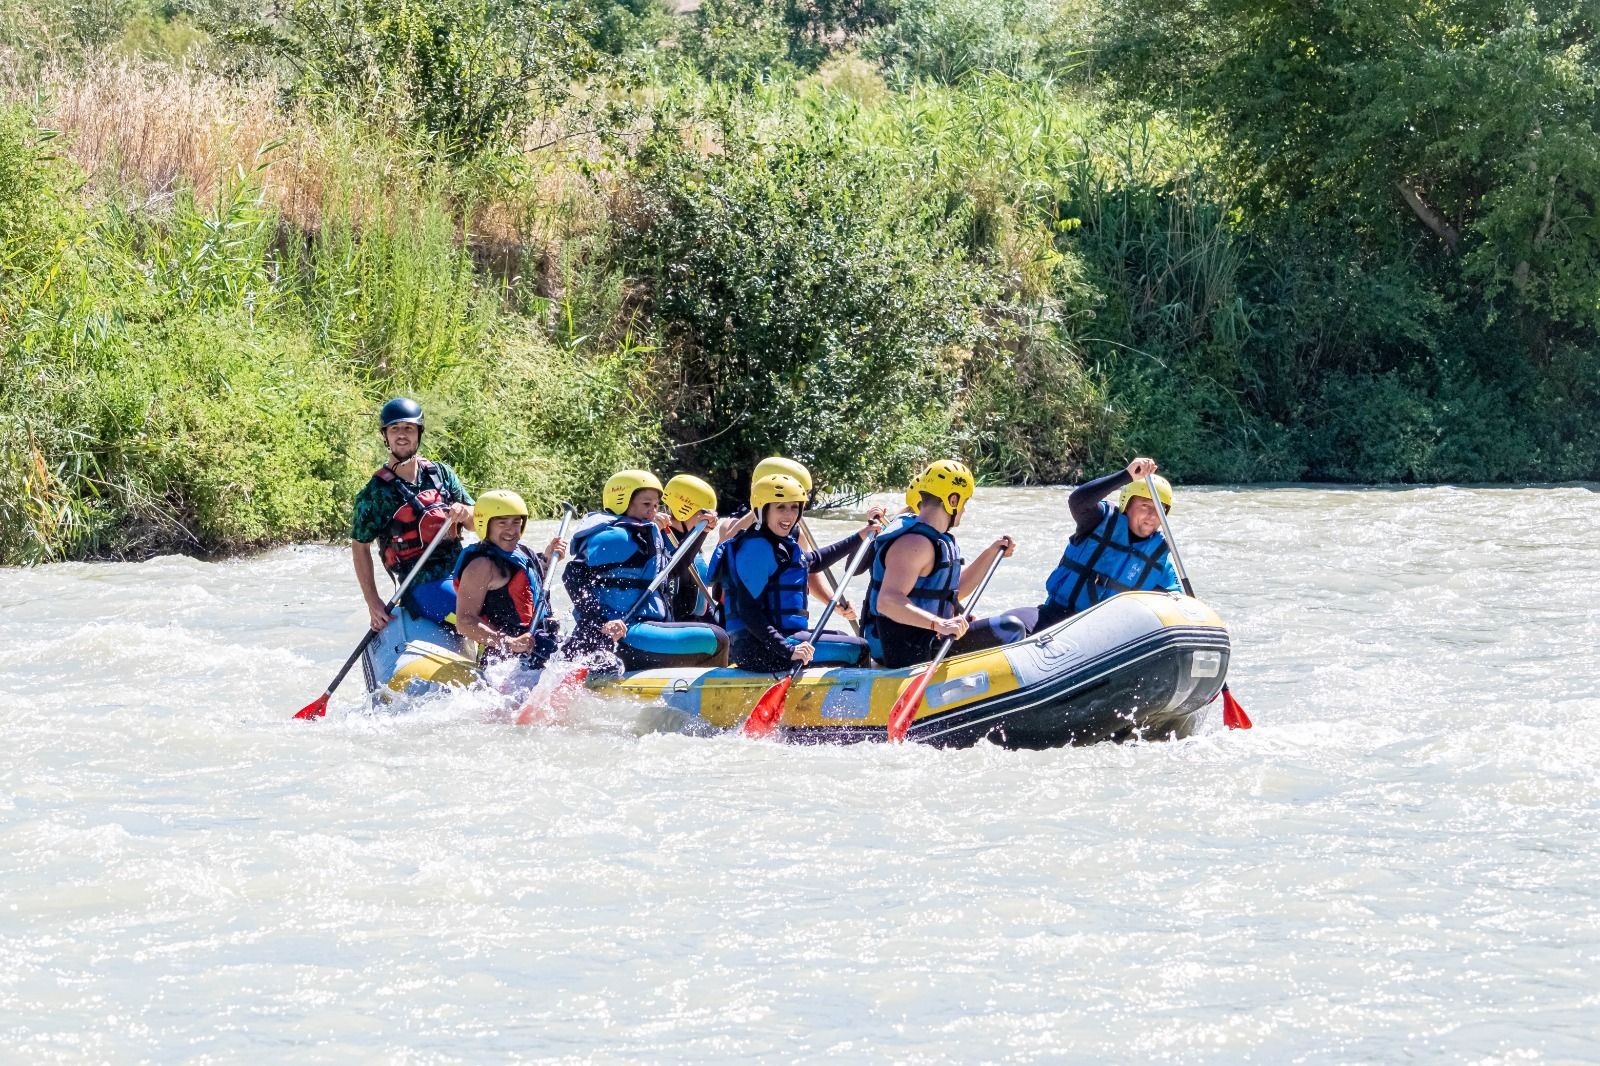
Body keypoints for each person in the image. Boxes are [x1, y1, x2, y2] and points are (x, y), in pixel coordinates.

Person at [349, 397, 474, 687]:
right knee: (480, 610)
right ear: (386, 437)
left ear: (419, 433)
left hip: (465, 571)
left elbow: (476, 520)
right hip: (421, 584)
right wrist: (373, 602)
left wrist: (464, 511)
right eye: (395, 430)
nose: (402, 434)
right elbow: (360, 547)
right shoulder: (374, 495)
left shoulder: (441, 474)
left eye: (408, 428)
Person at [860, 459, 1028, 669]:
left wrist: (991, 553)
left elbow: (956, 591)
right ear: (953, 500)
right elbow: (887, 601)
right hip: (909, 648)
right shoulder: (913, 544)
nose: (964, 510)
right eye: (964, 503)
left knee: (1002, 627)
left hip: (928, 637)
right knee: (1009, 628)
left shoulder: (934, 539)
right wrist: (940, 623)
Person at [711, 473, 884, 673]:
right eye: (780, 507)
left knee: (840, 635)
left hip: (775, 642)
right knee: (859, 649)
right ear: (762, 509)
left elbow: (814, 561)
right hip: (760, 649)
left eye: (794, 507)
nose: (789, 515)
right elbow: (748, 612)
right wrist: (789, 650)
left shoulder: (778, 543)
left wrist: (860, 536)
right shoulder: (756, 549)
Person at [563, 469, 730, 670]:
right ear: (622, 501)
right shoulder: (614, 536)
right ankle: (712, 693)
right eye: (646, 504)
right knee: (717, 639)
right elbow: (571, 576)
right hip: (623, 634)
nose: (653, 510)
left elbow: (674, 570)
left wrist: (701, 532)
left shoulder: (644, 533)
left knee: (718, 636)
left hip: (643, 628)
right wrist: (602, 622)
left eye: (655, 504)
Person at [1035, 457, 1182, 630]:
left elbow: (1177, 604)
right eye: (1145, 506)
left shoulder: (1159, 560)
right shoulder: (1097, 521)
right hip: (1057, 617)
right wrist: (1126, 475)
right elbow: (1077, 501)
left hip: (1105, 638)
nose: (1152, 515)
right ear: (1126, 505)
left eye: (1160, 510)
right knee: (1011, 625)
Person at [452, 490, 568, 670]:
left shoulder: (522, 552)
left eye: (516, 522)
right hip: (506, 661)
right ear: (485, 524)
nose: (511, 530)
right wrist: (509, 642)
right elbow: (464, 622)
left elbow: (532, 587)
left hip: (539, 645)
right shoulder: (481, 566)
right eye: (502, 523)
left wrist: (547, 558)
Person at [661, 474, 720, 626]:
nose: (708, 517)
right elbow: (677, 567)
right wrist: (702, 531)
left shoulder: (692, 537)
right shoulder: (661, 534)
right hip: (672, 622)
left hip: (694, 618)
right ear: (684, 509)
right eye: (703, 512)